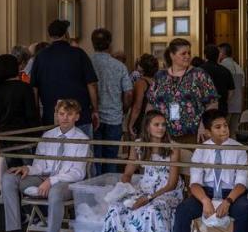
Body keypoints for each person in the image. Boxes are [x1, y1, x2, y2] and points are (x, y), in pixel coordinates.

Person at [0, 99, 90, 232]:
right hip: (44, 177)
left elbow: (78, 173)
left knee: (55, 192)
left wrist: (52, 181)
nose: (65, 117)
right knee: (9, 177)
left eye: (69, 114)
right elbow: (40, 165)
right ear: (56, 115)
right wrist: (27, 169)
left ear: (77, 117)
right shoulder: (48, 136)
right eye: (61, 114)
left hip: (66, 183)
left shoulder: (82, 139)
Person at [164, 109, 248, 232]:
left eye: (225, 126)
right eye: (218, 127)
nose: (224, 130)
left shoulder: (239, 149)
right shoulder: (201, 151)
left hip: (231, 192)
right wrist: (204, 200)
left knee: (245, 211)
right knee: (183, 211)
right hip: (206, 192)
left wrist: (228, 201)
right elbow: (194, 183)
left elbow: (242, 183)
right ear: (208, 132)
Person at [95, 111, 184, 232]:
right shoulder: (138, 145)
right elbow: (128, 173)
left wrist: (148, 198)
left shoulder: (173, 147)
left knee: (153, 208)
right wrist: (124, 189)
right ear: (147, 127)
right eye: (156, 124)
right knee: (118, 206)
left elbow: (172, 183)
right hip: (146, 187)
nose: (161, 128)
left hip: (167, 191)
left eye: (163, 124)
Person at [31, 19, 99, 137]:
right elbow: (91, 84)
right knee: (81, 152)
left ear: (50, 36)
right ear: (66, 34)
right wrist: (95, 109)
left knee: (52, 153)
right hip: (79, 116)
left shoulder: (40, 57)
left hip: (51, 116)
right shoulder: (79, 54)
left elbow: (34, 89)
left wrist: (37, 114)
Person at [147, 38, 218, 144]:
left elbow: (213, 103)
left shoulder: (199, 75)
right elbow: (150, 103)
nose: (188, 56)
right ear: (172, 55)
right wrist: (148, 126)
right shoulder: (160, 76)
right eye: (183, 53)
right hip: (163, 134)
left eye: (189, 53)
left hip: (193, 134)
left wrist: (204, 125)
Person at [90, 28, 133, 175]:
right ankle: (109, 192)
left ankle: (94, 192)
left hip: (92, 117)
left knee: (95, 159)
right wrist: (124, 109)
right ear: (109, 44)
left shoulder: (87, 62)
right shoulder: (119, 66)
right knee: (111, 159)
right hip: (114, 117)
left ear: (92, 43)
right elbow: (128, 93)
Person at [0, 53, 40, 168]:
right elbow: (31, 115)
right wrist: (38, 135)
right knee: (28, 170)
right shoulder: (24, 88)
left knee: (13, 170)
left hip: (6, 137)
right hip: (25, 137)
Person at [128, 53, 158, 139]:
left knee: (139, 148)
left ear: (142, 67)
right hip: (155, 118)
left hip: (142, 120)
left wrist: (130, 125)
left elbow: (137, 106)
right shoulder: (157, 81)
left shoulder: (141, 83)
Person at [218, 43, 245, 133]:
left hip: (227, 104)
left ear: (222, 53)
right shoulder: (238, 67)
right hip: (238, 104)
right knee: (233, 132)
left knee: (223, 133)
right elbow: (242, 87)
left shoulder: (221, 67)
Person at [201, 44, 234, 114]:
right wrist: (224, 101)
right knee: (220, 125)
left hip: (203, 108)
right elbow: (231, 91)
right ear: (218, 55)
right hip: (221, 107)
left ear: (205, 55)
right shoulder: (225, 71)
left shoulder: (199, 71)